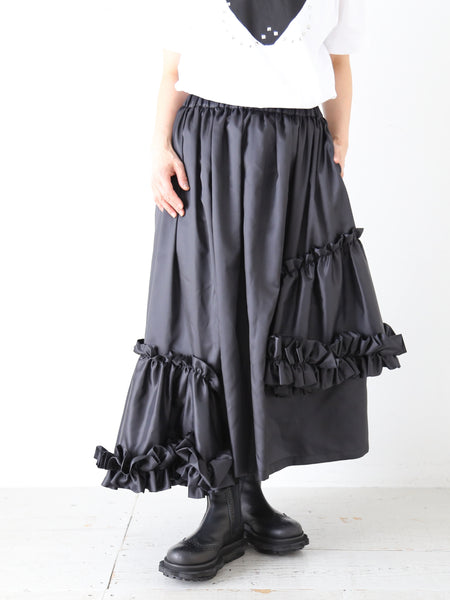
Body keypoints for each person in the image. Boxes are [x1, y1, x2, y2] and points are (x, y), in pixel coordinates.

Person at [94, 0, 407, 582]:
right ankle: (222, 500)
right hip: (207, 150)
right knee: (208, 320)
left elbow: (338, 62)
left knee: (281, 319)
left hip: (297, 149)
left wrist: (339, 142)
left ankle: (249, 491)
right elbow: (173, 67)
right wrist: (158, 148)